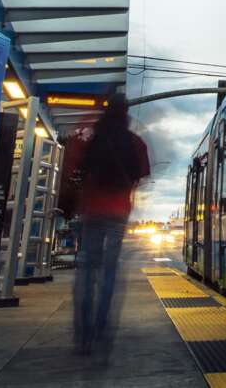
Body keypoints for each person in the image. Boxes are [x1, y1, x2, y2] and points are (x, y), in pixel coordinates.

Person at [72, 99, 150, 357]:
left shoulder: (91, 138)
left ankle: (83, 332)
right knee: (110, 271)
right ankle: (102, 329)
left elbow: (76, 169)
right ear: (126, 114)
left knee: (86, 268)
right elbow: (140, 177)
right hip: (118, 213)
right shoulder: (135, 142)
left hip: (91, 211)